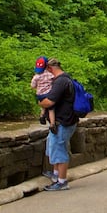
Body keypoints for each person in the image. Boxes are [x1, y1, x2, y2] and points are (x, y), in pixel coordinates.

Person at [38, 58, 79, 191]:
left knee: (59, 149)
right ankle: (56, 175)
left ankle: (62, 181)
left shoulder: (61, 81)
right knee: (53, 146)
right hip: (62, 121)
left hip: (63, 121)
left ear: (50, 69)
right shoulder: (65, 79)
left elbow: (49, 102)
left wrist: (40, 102)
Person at [30, 56, 56, 132]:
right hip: (48, 94)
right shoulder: (49, 74)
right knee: (51, 109)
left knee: (43, 106)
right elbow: (54, 79)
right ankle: (52, 124)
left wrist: (37, 87)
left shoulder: (36, 76)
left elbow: (32, 86)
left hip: (40, 95)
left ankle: (42, 116)